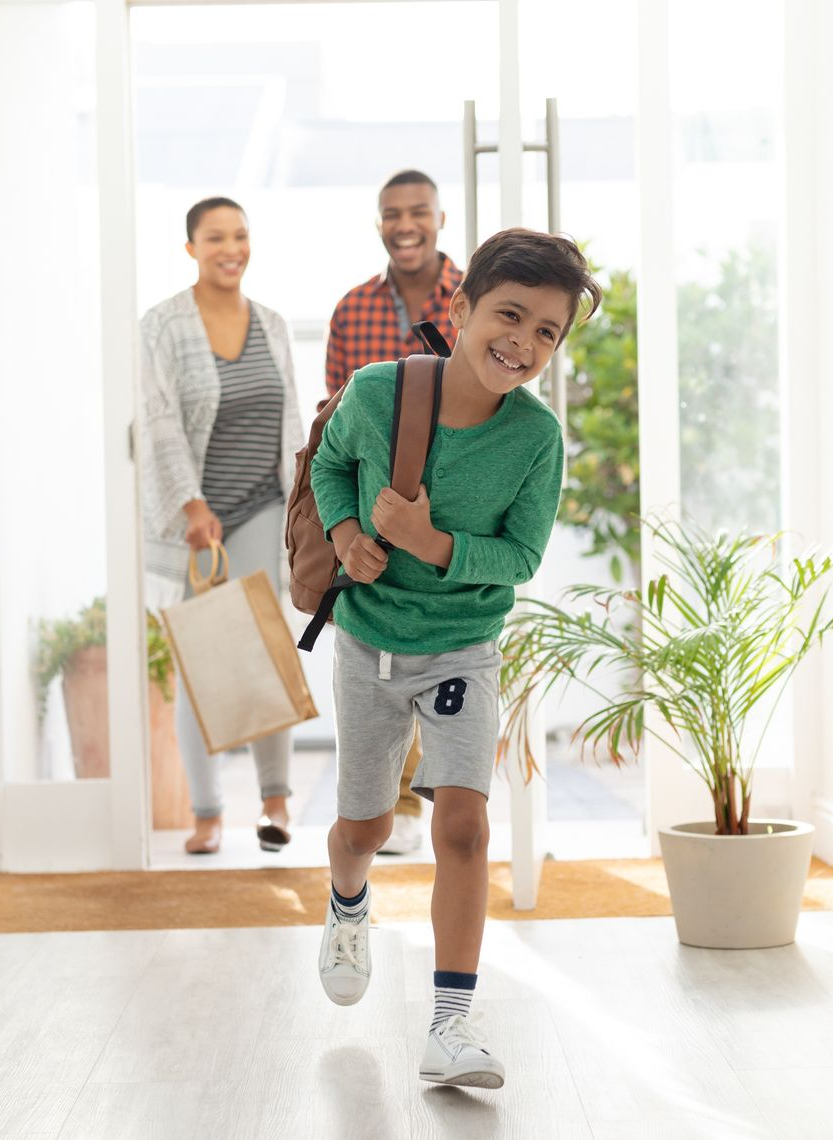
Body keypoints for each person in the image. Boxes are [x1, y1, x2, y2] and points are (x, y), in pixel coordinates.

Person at [311, 228, 601, 1087]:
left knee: (465, 827)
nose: (522, 342)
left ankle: (449, 1023)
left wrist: (429, 543)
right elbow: (330, 468)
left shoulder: (536, 440)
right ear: (461, 307)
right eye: (508, 315)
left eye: (546, 332)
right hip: (368, 642)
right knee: (362, 829)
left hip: (462, 652)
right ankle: (347, 901)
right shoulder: (375, 394)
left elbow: (520, 558)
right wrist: (350, 534)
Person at [140, 197, 304, 856]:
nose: (230, 248)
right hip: (193, 522)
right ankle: (206, 812)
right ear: (190, 248)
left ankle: (275, 803)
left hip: (263, 503)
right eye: (215, 238)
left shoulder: (271, 323)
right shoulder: (161, 325)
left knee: (266, 649)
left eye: (239, 235)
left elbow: (290, 417)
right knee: (200, 658)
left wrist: (301, 508)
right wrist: (190, 505)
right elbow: (158, 423)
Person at [324, 169, 463, 855]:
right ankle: (382, 806)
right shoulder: (353, 311)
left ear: (440, 216)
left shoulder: (472, 301)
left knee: (441, 650)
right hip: (371, 513)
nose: (403, 225)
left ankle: (422, 804)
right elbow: (332, 432)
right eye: (390, 214)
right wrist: (346, 528)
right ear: (378, 222)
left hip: (451, 510)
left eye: (417, 212)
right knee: (376, 654)